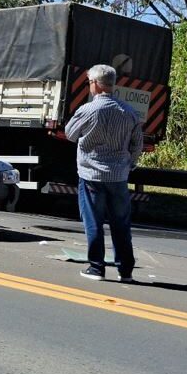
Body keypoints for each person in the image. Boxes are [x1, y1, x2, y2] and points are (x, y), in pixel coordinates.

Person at [65, 64, 143, 283]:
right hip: (118, 175)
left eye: (89, 82)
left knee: (93, 221)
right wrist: (130, 163)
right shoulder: (129, 112)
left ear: (95, 84)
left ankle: (96, 267)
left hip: (91, 175)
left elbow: (70, 134)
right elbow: (137, 144)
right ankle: (125, 271)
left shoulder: (87, 110)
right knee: (121, 223)